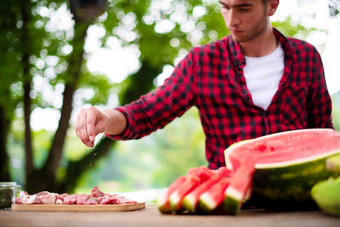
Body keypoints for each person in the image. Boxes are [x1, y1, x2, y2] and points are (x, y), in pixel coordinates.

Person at [75, 0, 333, 169]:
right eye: (224, 6)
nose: (231, 20)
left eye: (243, 9)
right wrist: (106, 117)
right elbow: (147, 113)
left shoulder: (306, 57)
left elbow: (325, 135)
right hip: (227, 202)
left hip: (299, 201)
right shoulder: (201, 63)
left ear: (272, 6)